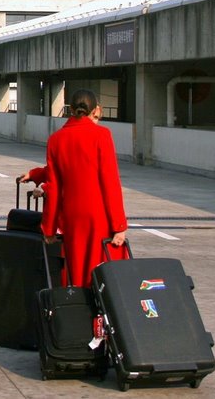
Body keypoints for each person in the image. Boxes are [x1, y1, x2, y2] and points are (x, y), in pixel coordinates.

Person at [40, 89, 128, 287]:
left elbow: (53, 187)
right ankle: (100, 316)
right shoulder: (102, 135)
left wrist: (49, 227)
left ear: (71, 109)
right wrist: (119, 225)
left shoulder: (56, 139)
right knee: (104, 271)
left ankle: (78, 310)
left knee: (75, 267)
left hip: (72, 216)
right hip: (99, 216)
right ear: (95, 109)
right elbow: (110, 182)